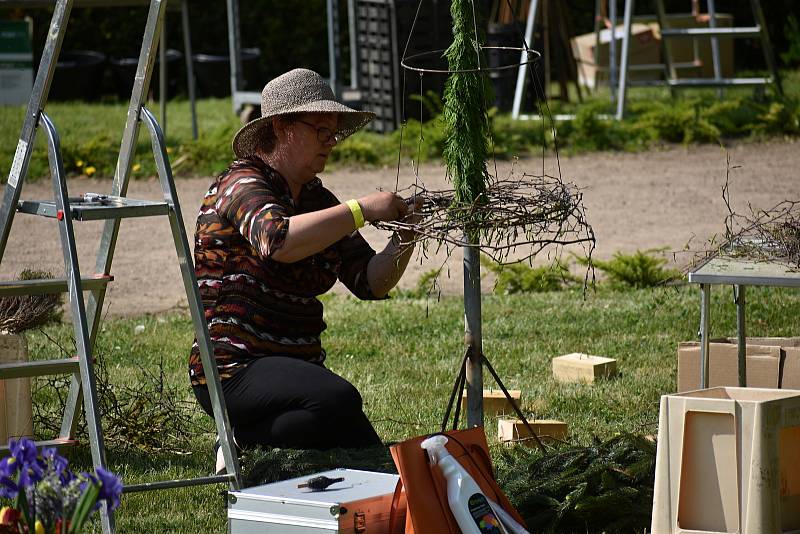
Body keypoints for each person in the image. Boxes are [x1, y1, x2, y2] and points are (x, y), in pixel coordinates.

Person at [188, 68, 420, 472]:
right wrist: (361, 210)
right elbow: (279, 241)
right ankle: (242, 436)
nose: (331, 143)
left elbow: (371, 282)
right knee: (338, 400)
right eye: (321, 131)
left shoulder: (317, 198)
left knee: (377, 464)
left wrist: (407, 236)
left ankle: (241, 443)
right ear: (282, 127)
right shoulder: (240, 183)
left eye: (334, 133)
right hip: (234, 368)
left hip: (298, 370)